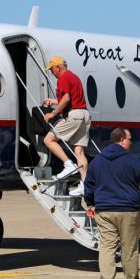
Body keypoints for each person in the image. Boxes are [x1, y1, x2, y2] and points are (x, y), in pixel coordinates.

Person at [84, 128, 140, 279]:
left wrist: (90, 203)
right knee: (129, 247)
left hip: (104, 211)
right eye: (129, 139)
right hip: (128, 210)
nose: (131, 142)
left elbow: (88, 185)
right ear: (121, 140)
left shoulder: (97, 161)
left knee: (107, 247)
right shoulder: (131, 161)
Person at [42, 55, 91, 195]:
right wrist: (54, 101)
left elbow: (66, 98)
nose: (52, 73)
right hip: (84, 115)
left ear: (58, 67)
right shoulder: (74, 77)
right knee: (79, 151)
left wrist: (53, 114)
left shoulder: (63, 77)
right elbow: (71, 99)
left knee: (49, 140)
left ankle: (68, 165)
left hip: (74, 115)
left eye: (52, 70)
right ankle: (84, 184)